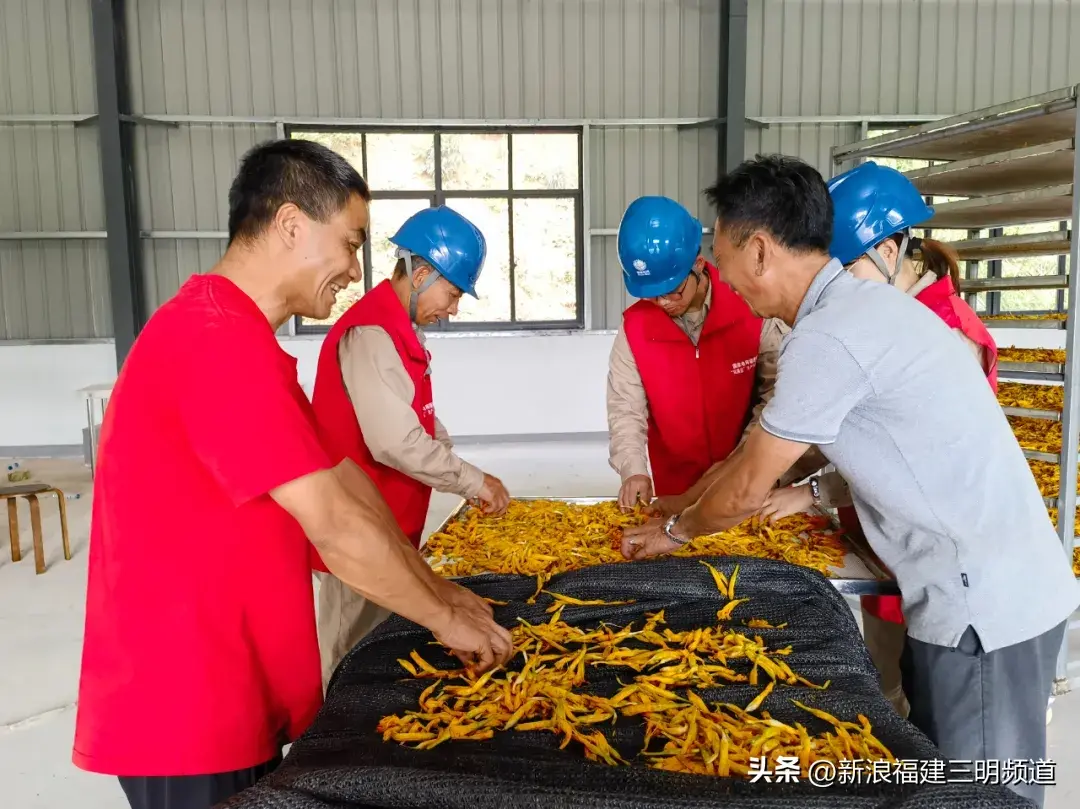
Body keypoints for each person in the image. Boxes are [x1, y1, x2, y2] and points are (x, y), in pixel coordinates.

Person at [621, 154, 1079, 808]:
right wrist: (684, 499)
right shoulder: (856, 310)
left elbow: (752, 479)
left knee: (983, 795)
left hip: (985, 606)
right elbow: (781, 453)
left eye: (722, 261)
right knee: (940, 779)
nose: (725, 280)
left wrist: (678, 530)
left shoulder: (829, 338)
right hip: (979, 588)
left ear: (758, 250)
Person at [72, 139, 513, 809]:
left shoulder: (246, 341)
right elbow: (332, 523)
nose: (353, 268)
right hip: (185, 707)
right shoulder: (212, 341)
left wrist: (442, 591)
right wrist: (443, 620)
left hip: (230, 686)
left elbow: (348, 485)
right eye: (350, 243)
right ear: (289, 224)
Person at [753, 161, 999, 718]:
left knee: (953, 733)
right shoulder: (895, 321)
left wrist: (810, 493)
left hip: (956, 569)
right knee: (895, 685)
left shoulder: (945, 332)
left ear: (889, 253)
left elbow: (913, 454)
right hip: (898, 548)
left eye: (844, 271)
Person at [311, 205, 511, 687]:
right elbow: (394, 442)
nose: (453, 309)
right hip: (356, 536)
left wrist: (455, 466)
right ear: (421, 274)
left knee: (378, 646)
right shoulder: (371, 332)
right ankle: (334, 757)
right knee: (347, 659)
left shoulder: (400, 331)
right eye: (453, 292)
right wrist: (472, 479)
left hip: (388, 530)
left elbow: (419, 415)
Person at [607, 195, 822, 514]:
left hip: (749, 488)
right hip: (674, 491)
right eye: (651, 296)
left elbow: (777, 396)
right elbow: (625, 407)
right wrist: (634, 469)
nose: (664, 304)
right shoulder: (634, 328)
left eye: (672, 291)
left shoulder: (750, 308)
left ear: (697, 263)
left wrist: (742, 468)